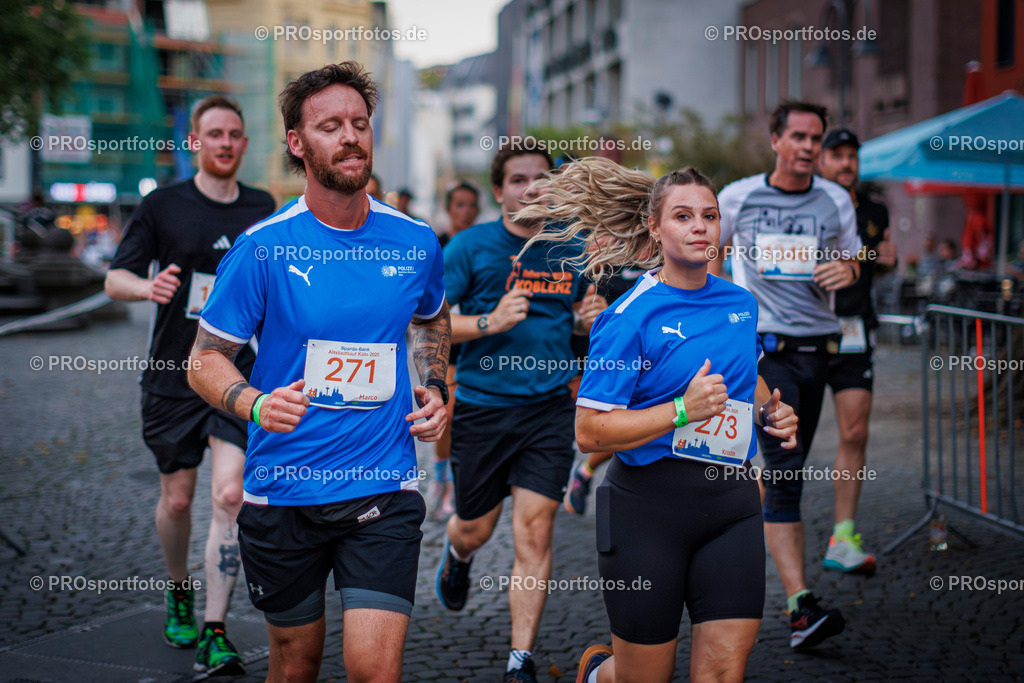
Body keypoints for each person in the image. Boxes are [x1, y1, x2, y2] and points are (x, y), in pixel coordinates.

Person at [187, 63, 450, 682]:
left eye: (359, 123)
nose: (350, 136)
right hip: (284, 488)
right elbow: (203, 358)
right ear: (298, 143)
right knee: (295, 662)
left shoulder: (415, 242)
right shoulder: (262, 248)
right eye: (330, 126)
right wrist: (252, 402)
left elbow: (432, 320)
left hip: (382, 487)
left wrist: (438, 388)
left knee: (372, 671)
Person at [516, 157, 798, 682]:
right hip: (648, 511)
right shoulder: (629, 318)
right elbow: (588, 430)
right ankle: (600, 674)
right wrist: (682, 411)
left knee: (721, 673)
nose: (699, 228)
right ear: (655, 227)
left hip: (732, 505)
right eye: (683, 216)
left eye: (709, 216)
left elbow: (749, 375)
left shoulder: (739, 303)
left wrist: (770, 410)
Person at [104, 94, 275, 674]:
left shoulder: (262, 206)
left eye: (235, 134)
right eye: (215, 134)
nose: (225, 142)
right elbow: (116, 276)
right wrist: (144, 289)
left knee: (229, 495)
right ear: (195, 142)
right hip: (172, 376)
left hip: (233, 372)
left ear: (244, 144)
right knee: (177, 498)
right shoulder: (162, 205)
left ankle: (215, 627)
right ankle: (180, 588)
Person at [435, 141, 607, 682]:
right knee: (477, 529)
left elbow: (578, 322)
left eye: (540, 178)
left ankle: (519, 661)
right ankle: (456, 555)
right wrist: (489, 322)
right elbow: (427, 323)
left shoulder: (570, 249)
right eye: (517, 179)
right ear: (498, 189)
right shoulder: (469, 247)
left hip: (548, 410)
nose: (530, 188)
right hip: (483, 411)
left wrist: (585, 320)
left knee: (534, 533)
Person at [712, 100, 863, 650]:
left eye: (814, 138)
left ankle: (739, 544)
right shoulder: (738, 196)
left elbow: (853, 260)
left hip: (818, 349)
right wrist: (722, 315)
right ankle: (800, 605)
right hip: (764, 349)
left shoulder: (835, 199)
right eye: (797, 136)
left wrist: (847, 268)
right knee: (783, 462)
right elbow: (710, 250)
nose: (807, 147)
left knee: (787, 465)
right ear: (775, 140)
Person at [818, 128, 896, 574]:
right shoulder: (806, 205)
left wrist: (886, 260)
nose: (847, 162)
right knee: (785, 439)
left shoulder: (874, 211)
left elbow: (884, 261)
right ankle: (759, 522)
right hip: (802, 333)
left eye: (853, 155)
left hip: (853, 329)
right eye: (838, 154)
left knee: (855, 432)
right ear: (822, 160)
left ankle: (843, 534)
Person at [432, 181, 480, 519]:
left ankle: (462, 482)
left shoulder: (481, 247)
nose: (465, 211)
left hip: (479, 343)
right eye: (459, 205)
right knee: (446, 415)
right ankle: (440, 480)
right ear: (449, 209)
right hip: (448, 342)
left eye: (470, 205)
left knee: (467, 417)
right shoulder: (438, 245)